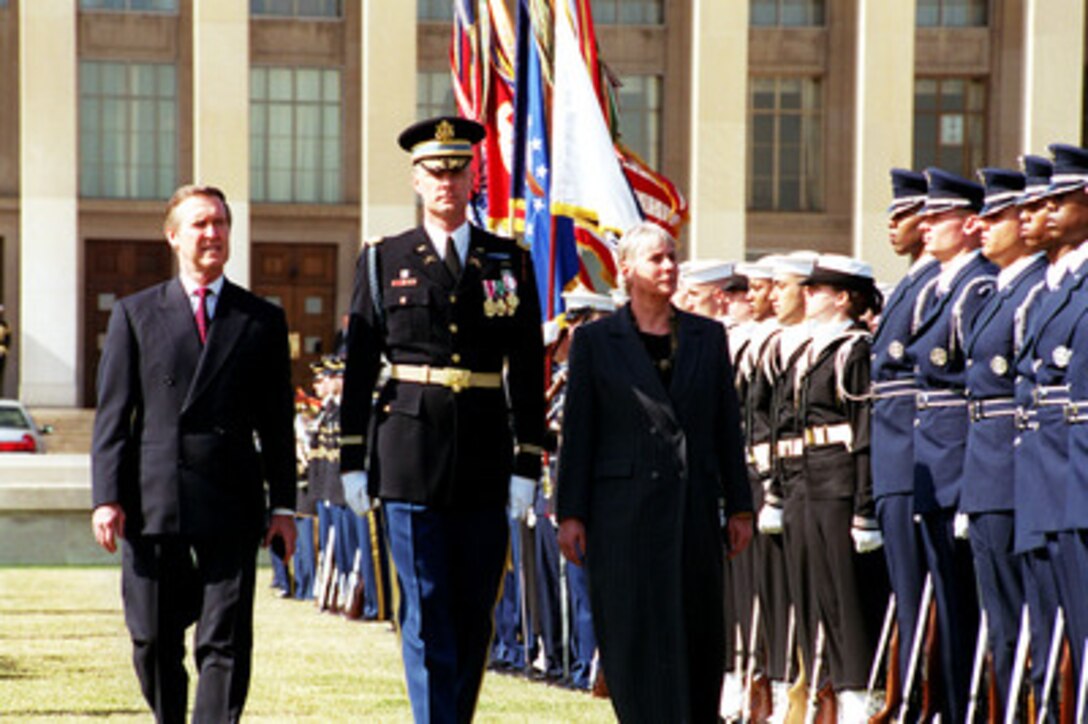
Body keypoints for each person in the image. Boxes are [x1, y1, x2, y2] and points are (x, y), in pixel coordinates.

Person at [339, 116, 544, 724]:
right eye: (436, 171)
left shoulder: (507, 259)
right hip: (408, 452)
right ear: (416, 180)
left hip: (484, 452)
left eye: (458, 169)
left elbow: (528, 368)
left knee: (477, 606)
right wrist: (354, 459)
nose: (447, 182)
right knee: (426, 607)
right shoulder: (384, 259)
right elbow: (359, 367)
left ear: (475, 174)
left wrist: (527, 461)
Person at [90, 184, 296, 723]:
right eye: (200, 224)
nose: (213, 234)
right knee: (152, 638)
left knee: (224, 639)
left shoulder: (261, 320)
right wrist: (106, 498)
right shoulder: (136, 313)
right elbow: (113, 416)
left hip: (231, 497)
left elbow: (278, 425)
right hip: (153, 498)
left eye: (221, 223)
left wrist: (284, 507)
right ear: (173, 236)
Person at [556, 221, 754, 723]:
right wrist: (571, 512)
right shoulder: (597, 342)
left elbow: (726, 426)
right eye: (655, 259)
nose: (668, 267)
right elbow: (578, 434)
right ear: (626, 270)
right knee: (632, 634)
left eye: (672, 257)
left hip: (691, 510)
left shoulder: (707, 338)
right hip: (622, 513)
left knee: (696, 633)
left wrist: (740, 503)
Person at [908, 167, 995, 722]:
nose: (926, 228)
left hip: (958, 458)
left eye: (938, 219)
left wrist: (967, 481)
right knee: (945, 596)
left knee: (964, 597)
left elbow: (974, 386)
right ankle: (947, 700)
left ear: (968, 225)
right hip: (930, 458)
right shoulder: (942, 284)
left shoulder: (976, 285)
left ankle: (967, 704)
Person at [958, 166, 1045, 717]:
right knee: (1001, 615)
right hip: (985, 467)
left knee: (1025, 611)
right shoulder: (995, 289)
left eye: (996, 217)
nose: (981, 227)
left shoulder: (1034, 289)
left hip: (1018, 467)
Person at [795, 255, 888, 719]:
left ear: (844, 297)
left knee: (850, 596)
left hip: (841, 481)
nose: (806, 295)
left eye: (817, 289)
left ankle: (862, 696)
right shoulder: (820, 348)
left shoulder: (856, 349)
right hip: (814, 475)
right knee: (826, 592)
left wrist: (864, 506)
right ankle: (841, 688)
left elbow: (866, 431)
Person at [868, 168, 938, 715]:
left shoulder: (940, 285)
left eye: (904, 216)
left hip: (918, 451)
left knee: (925, 589)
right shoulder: (912, 284)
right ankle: (910, 693)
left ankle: (925, 695)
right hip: (895, 453)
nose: (893, 227)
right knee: (906, 588)